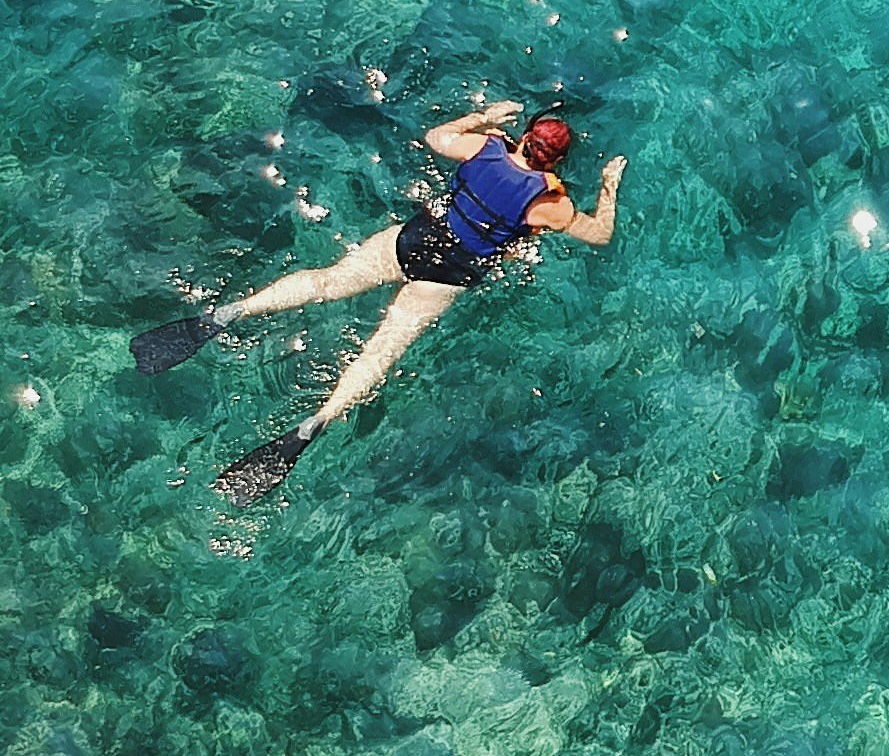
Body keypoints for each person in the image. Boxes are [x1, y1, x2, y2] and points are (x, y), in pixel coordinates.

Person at [129, 104, 627, 500]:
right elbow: (600, 235)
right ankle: (314, 423)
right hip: (447, 277)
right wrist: (608, 187)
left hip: (412, 240)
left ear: (524, 137)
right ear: (556, 163)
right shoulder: (552, 204)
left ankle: (226, 315)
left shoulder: (484, 150)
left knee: (326, 282)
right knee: (380, 352)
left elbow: (436, 137)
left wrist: (484, 118)